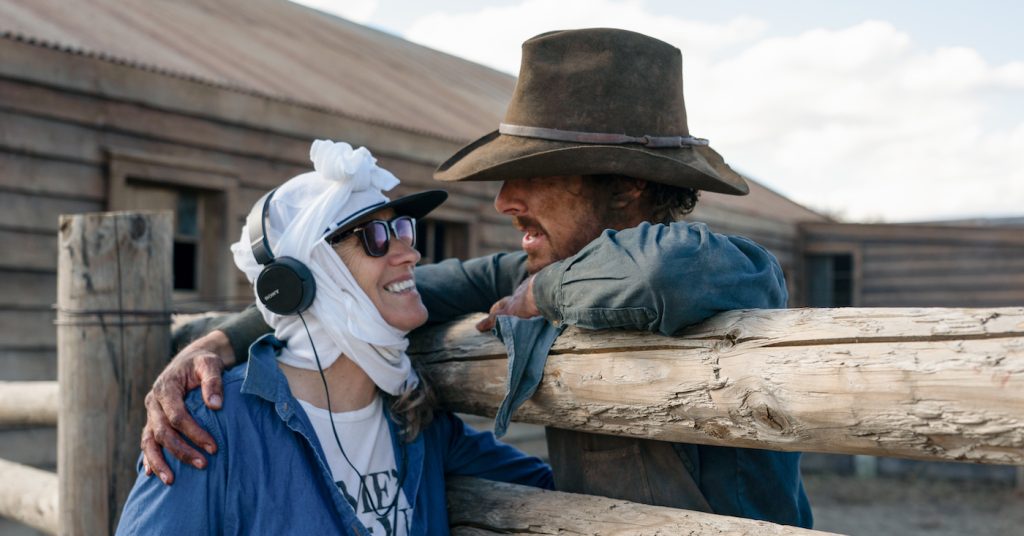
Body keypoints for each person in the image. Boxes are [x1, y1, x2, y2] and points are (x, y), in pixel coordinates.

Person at [141, 28, 812, 527]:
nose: (503, 201)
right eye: (382, 235)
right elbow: (381, 292)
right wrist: (222, 342)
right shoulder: (534, 268)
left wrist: (539, 296)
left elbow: (655, 279)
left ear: (628, 187)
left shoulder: (723, 266)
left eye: (535, 175)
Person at [117, 140, 552, 535]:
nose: (410, 252)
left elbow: (561, 494)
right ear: (302, 277)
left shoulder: (418, 423)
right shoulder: (211, 425)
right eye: (376, 238)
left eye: (402, 230)